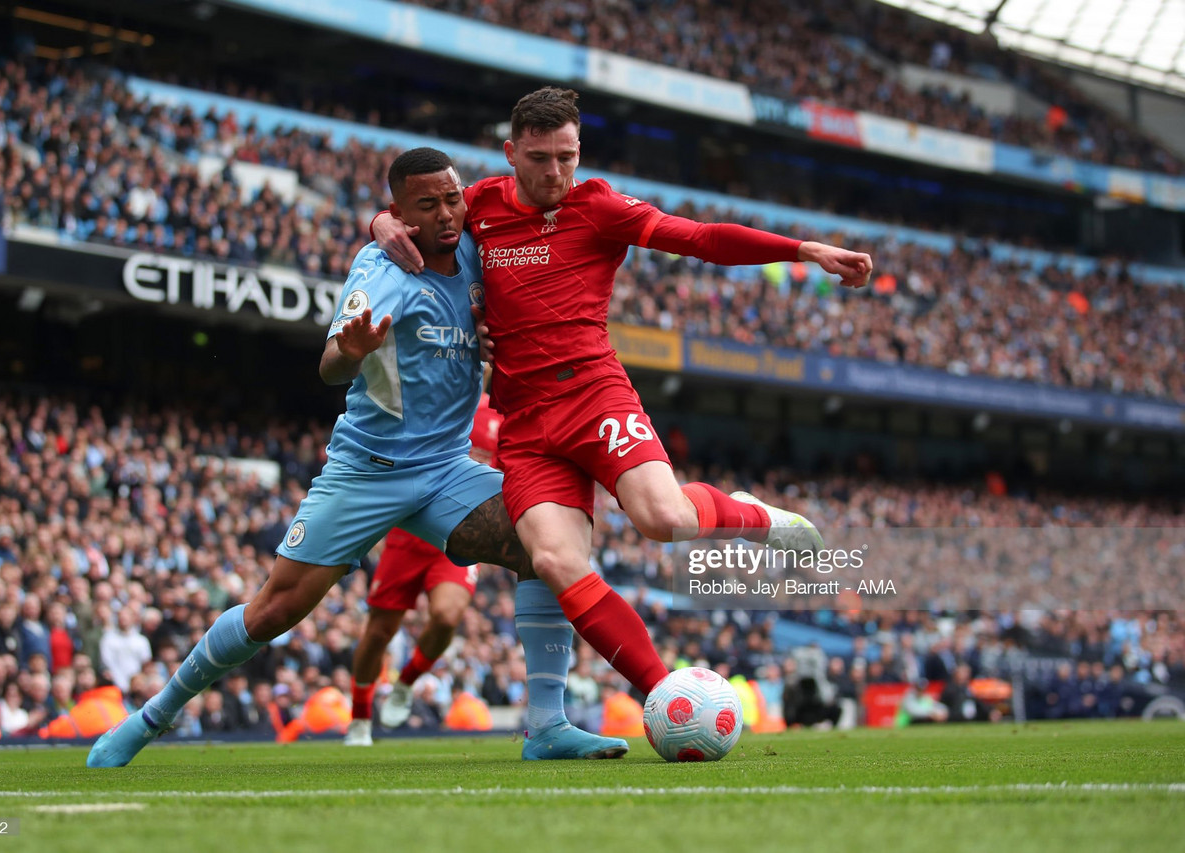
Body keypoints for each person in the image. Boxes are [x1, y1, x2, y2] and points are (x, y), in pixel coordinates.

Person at [87, 147, 628, 767]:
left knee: (547, 543)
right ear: (401, 213)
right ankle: (153, 716)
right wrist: (351, 348)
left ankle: (547, 725)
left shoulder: (479, 248)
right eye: (428, 205)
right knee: (273, 612)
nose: (449, 214)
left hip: (447, 468)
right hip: (367, 468)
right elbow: (329, 367)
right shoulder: (381, 268)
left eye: (452, 198)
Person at [372, 86, 873, 697]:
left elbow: (700, 237)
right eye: (539, 158)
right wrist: (380, 222)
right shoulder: (476, 204)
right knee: (555, 561)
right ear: (510, 153)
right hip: (525, 422)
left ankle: (755, 514)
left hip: (593, 394)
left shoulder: (601, 207)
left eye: (567, 156)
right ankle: (665, 694)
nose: (555, 171)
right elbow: (410, 213)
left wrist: (802, 249)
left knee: (663, 519)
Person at [346, 392, 502, 747]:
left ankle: (405, 683)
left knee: (447, 617)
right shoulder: (437, 399)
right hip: (409, 533)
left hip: (457, 537)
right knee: (379, 632)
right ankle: (359, 718)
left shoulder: (503, 417)